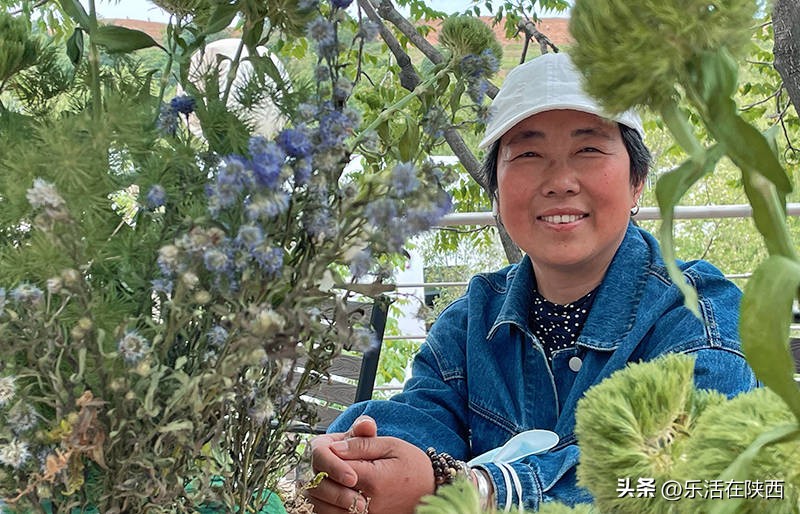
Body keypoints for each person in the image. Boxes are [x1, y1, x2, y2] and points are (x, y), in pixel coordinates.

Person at [305, 51, 756, 513]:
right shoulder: (469, 323)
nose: (560, 180)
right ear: (496, 194)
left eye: (589, 149)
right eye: (528, 153)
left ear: (637, 181)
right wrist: (361, 465)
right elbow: (422, 416)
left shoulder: (697, 312)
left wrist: (473, 490)